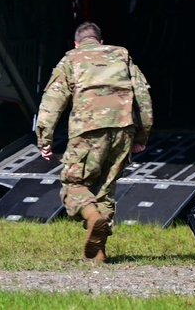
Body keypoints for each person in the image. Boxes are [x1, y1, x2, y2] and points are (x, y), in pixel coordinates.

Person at [36, 21, 153, 263]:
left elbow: (53, 100)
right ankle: (99, 252)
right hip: (123, 129)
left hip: (88, 129)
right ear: (100, 41)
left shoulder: (72, 58)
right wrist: (141, 136)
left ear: (77, 43)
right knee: (105, 189)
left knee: (73, 184)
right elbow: (143, 96)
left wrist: (44, 138)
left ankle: (91, 217)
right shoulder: (122, 55)